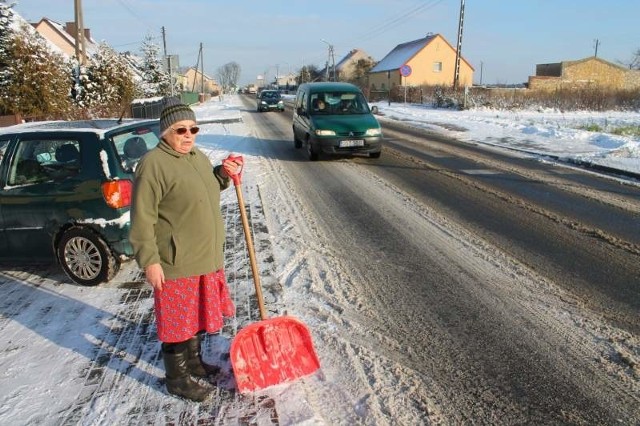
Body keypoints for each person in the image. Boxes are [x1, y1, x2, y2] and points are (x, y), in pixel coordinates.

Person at [129, 97, 242, 402]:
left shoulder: (197, 156)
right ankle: (176, 378)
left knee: (194, 318)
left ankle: (193, 362)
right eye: (181, 130)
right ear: (165, 132)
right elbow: (142, 218)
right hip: (175, 262)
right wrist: (149, 261)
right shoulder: (153, 164)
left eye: (193, 128)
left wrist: (222, 173)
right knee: (177, 323)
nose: (188, 134)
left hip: (205, 257)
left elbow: (205, 187)